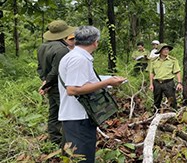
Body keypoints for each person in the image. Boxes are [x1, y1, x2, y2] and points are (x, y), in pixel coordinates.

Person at [58, 26, 126, 162]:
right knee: (84, 158)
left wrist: (106, 79)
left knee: (76, 157)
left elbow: (82, 80)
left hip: (76, 117)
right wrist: (108, 82)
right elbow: (73, 89)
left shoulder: (74, 56)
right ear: (95, 42)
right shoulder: (79, 59)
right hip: (78, 118)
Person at [37, 20, 76, 145]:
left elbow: (40, 68)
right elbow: (56, 71)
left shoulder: (42, 47)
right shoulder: (62, 50)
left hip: (50, 85)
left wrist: (45, 82)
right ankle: (66, 143)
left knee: (53, 113)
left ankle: (54, 139)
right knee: (66, 114)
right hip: (59, 86)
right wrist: (47, 84)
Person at [149, 43, 182, 110]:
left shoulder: (173, 60)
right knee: (156, 101)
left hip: (168, 83)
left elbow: (177, 72)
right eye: (164, 49)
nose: (166, 51)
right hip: (157, 83)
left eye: (167, 49)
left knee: (172, 101)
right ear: (160, 51)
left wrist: (179, 83)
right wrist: (151, 84)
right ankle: (155, 115)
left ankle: (175, 114)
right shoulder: (154, 61)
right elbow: (151, 73)